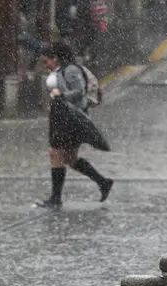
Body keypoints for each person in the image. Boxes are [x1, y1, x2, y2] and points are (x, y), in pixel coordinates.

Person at [36, 42, 113, 209]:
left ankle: (56, 198)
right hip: (62, 116)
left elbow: (80, 91)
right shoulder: (59, 70)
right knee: (69, 158)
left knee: (55, 153)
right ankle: (103, 182)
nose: (45, 65)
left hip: (71, 118)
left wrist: (61, 95)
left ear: (55, 58)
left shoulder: (70, 70)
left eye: (46, 61)